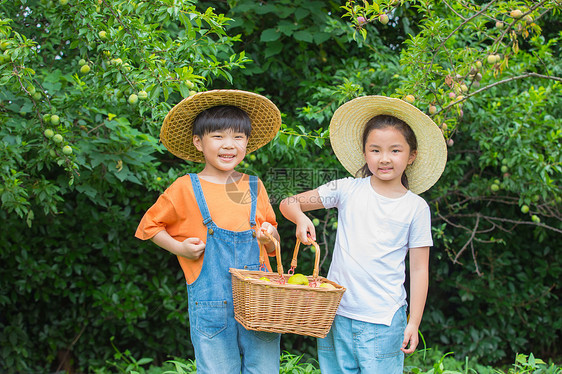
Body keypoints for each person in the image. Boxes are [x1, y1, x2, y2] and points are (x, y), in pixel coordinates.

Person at [280, 95, 447, 373]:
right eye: (375, 150)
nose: (384, 159)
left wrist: (414, 321)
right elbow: (289, 203)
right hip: (335, 314)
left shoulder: (416, 208)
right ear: (365, 153)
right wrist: (299, 218)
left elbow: (419, 270)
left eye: (395, 150)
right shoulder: (347, 189)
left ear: (411, 155)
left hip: (383, 319)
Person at [135, 90, 283, 374]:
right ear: (198, 142)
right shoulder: (185, 187)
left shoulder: (254, 186)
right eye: (218, 136)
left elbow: (273, 242)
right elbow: (150, 226)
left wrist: (269, 238)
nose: (229, 145)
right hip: (211, 302)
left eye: (238, 137)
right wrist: (179, 248)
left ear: (247, 143)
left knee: (264, 369)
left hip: (260, 302)